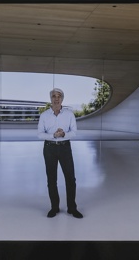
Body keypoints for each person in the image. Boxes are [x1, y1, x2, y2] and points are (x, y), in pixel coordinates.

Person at [37, 87, 83, 218]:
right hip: (49, 148)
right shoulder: (44, 115)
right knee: (51, 179)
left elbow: (74, 132)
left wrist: (63, 134)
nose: (56, 99)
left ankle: (72, 208)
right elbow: (40, 134)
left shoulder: (69, 114)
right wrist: (53, 135)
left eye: (59, 96)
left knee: (70, 179)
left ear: (62, 99)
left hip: (65, 148)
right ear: (50, 99)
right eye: (54, 96)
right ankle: (54, 207)